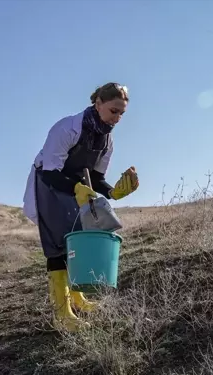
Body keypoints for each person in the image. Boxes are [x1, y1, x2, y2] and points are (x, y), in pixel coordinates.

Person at [22, 82, 139, 332]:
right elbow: (52, 171)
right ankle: (62, 313)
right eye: (113, 111)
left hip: (78, 191)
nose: (117, 118)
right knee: (57, 247)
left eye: (122, 113)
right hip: (50, 186)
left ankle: (78, 299)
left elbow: (95, 177)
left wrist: (114, 191)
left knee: (76, 243)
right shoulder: (67, 128)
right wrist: (76, 188)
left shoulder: (106, 140)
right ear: (98, 104)